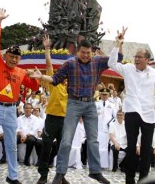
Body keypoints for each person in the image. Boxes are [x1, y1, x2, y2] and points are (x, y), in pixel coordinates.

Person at [32, 38, 123, 184]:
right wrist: (41, 76)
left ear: (92, 52)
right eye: (83, 52)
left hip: (91, 104)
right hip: (73, 103)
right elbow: (55, 78)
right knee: (66, 141)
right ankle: (60, 173)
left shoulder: (98, 61)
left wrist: (119, 44)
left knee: (93, 140)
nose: (86, 55)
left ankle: (95, 171)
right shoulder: (70, 63)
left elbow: (117, 58)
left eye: (88, 53)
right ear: (77, 51)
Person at [0, 8, 39, 184]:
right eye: (11, 57)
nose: (13, 60)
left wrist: (36, 79)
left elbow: (33, 86)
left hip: (11, 111)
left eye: (16, 58)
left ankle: (12, 177)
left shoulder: (21, 72)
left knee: (11, 146)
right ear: (5, 56)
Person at [108, 27, 155, 184]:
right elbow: (112, 63)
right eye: (135, 56)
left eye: (140, 57)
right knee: (130, 148)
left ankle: (143, 179)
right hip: (131, 112)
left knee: (146, 149)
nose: (136, 59)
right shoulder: (128, 69)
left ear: (147, 60)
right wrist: (118, 43)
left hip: (148, 115)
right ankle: (129, 180)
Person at [37, 34, 69, 184]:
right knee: (46, 147)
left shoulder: (73, 89)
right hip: (51, 119)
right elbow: (49, 66)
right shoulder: (53, 83)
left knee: (63, 150)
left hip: (65, 121)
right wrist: (47, 48)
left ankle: (61, 175)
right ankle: (43, 174)